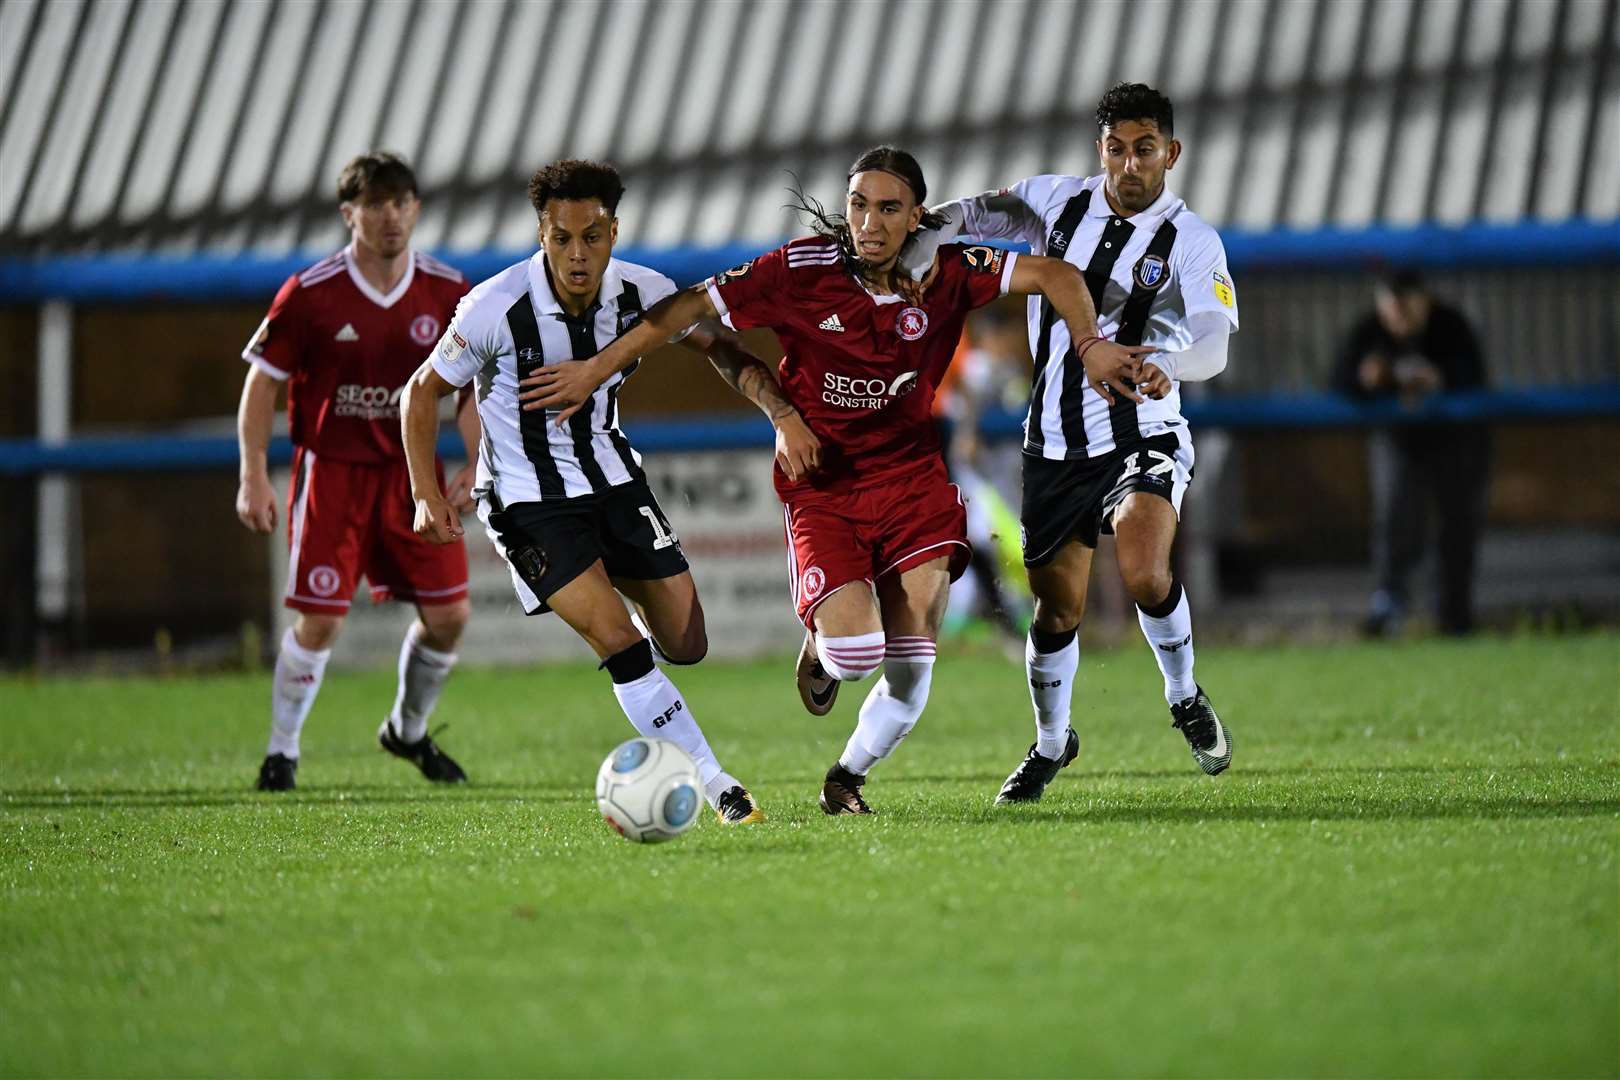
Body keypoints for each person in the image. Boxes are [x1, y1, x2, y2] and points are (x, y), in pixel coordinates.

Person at [518, 146, 1147, 815]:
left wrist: (1090, 345)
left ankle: (845, 778)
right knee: (854, 653)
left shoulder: (953, 269)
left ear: (915, 218)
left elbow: (1056, 274)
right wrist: (596, 372)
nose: (868, 221)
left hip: (913, 481)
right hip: (825, 484)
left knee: (910, 672)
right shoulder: (799, 269)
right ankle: (822, 650)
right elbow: (685, 312)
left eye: (887, 207)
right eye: (857, 204)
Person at [400, 159, 809, 825]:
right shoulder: (494, 308)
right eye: (561, 238)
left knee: (687, 641)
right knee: (622, 644)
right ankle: (717, 783)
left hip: (615, 482)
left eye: (591, 236)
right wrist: (425, 492)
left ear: (614, 231)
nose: (577, 254)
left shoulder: (643, 293)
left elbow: (722, 346)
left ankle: (644, 666)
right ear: (541, 235)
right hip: (527, 502)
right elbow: (420, 393)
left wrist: (779, 410)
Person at [904, 82, 1240, 800]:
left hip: (1141, 431)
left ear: (1171, 154)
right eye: (1116, 149)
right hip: (1053, 442)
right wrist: (926, 232)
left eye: (1144, 149)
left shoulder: (1192, 241)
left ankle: (1183, 695)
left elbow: (1214, 344)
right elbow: (971, 213)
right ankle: (1053, 742)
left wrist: (1167, 366)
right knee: (1058, 612)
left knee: (1146, 569)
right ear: (1101, 151)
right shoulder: (1053, 201)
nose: (1128, 165)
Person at [236, 151, 478, 792]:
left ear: (417, 209)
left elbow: (471, 391)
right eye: (374, 204)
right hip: (334, 474)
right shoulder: (311, 293)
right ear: (350, 214)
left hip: (414, 476)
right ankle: (281, 752)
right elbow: (263, 384)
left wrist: (478, 460)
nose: (390, 216)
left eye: (401, 202)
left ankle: (406, 730)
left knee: (451, 614)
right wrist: (253, 474)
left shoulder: (449, 291)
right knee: (321, 620)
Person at [1332, 269, 1490, 636]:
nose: (1399, 318)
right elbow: (1340, 379)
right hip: (1398, 438)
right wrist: (1364, 379)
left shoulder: (1449, 326)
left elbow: (1475, 375)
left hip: (1454, 438)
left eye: (1407, 308)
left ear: (1425, 302)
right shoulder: (1370, 329)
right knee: (1394, 519)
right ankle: (1389, 606)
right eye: (1393, 309)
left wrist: (1440, 378)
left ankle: (1453, 613)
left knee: (1457, 523)